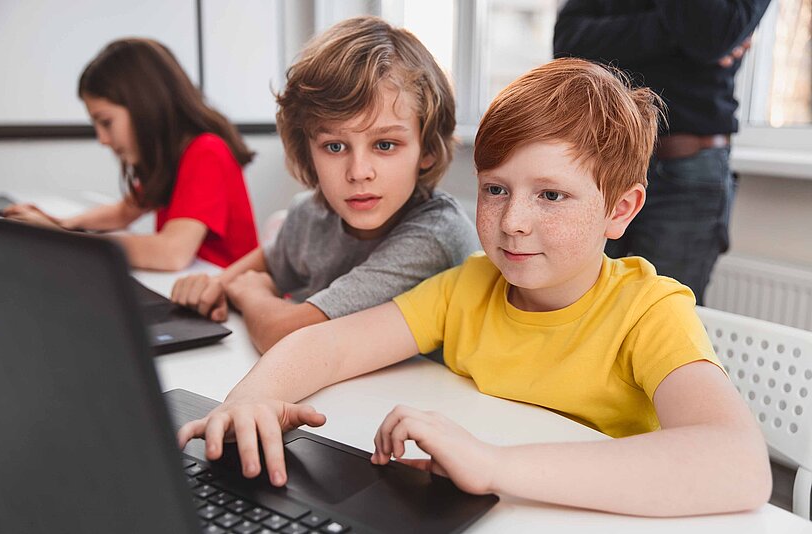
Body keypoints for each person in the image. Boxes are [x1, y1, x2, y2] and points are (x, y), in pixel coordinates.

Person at [177, 58, 772, 517]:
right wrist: (250, 399)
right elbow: (328, 345)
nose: (513, 221)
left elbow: (739, 464)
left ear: (620, 209)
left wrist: (493, 465)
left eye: (551, 194)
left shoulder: (649, 311)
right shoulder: (468, 286)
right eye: (495, 189)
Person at [170, 16, 479, 353]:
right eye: (334, 146)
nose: (358, 172)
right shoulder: (310, 213)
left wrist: (251, 294)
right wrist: (213, 285)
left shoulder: (434, 236)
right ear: (309, 151)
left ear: (428, 150)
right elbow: (267, 263)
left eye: (385, 145)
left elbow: (287, 337)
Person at [554, 0, 772, 303]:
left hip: (687, 168)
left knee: (666, 311)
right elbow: (568, 45)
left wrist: (697, 37)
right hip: (602, 158)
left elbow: (712, 33)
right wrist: (682, 37)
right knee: (576, 303)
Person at [4, 38, 259, 271]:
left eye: (106, 122)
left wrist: (65, 239)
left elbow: (171, 253)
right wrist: (61, 224)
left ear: (145, 106)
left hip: (227, 297)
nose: (102, 139)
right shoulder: (171, 160)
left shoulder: (207, 152)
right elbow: (122, 212)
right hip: (192, 288)